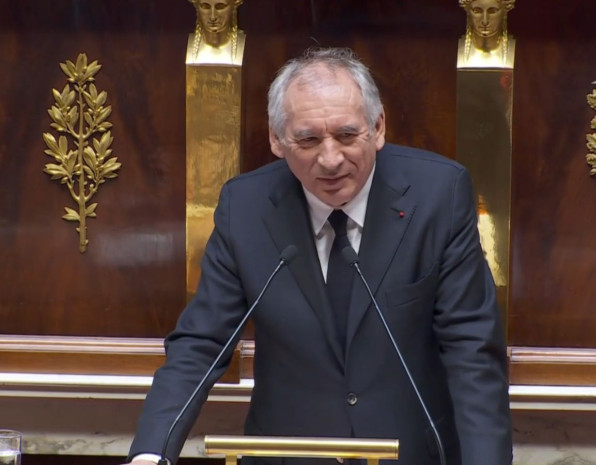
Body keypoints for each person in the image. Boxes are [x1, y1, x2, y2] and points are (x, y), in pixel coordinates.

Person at [127, 47, 512, 465]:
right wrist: (151, 453)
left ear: (378, 127)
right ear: (277, 139)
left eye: (347, 135)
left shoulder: (439, 194)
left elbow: (472, 351)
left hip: (410, 452)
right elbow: (202, 343)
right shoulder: (247, 207)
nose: (330, 160)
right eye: (308, 140)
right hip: (288, 455)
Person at [457, 0, 516, 68]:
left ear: (504, 12)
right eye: (477, 11)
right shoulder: (451, 50)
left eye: (492, 11)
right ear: (468, 12)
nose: (485, 21)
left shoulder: (522, 52)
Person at [186, 0, 245, 64]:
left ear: (234, 6)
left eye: (220, 7)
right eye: (205, 6)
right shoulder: (182, 45)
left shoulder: (247, 47)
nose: (212, 17)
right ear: (196, 6)